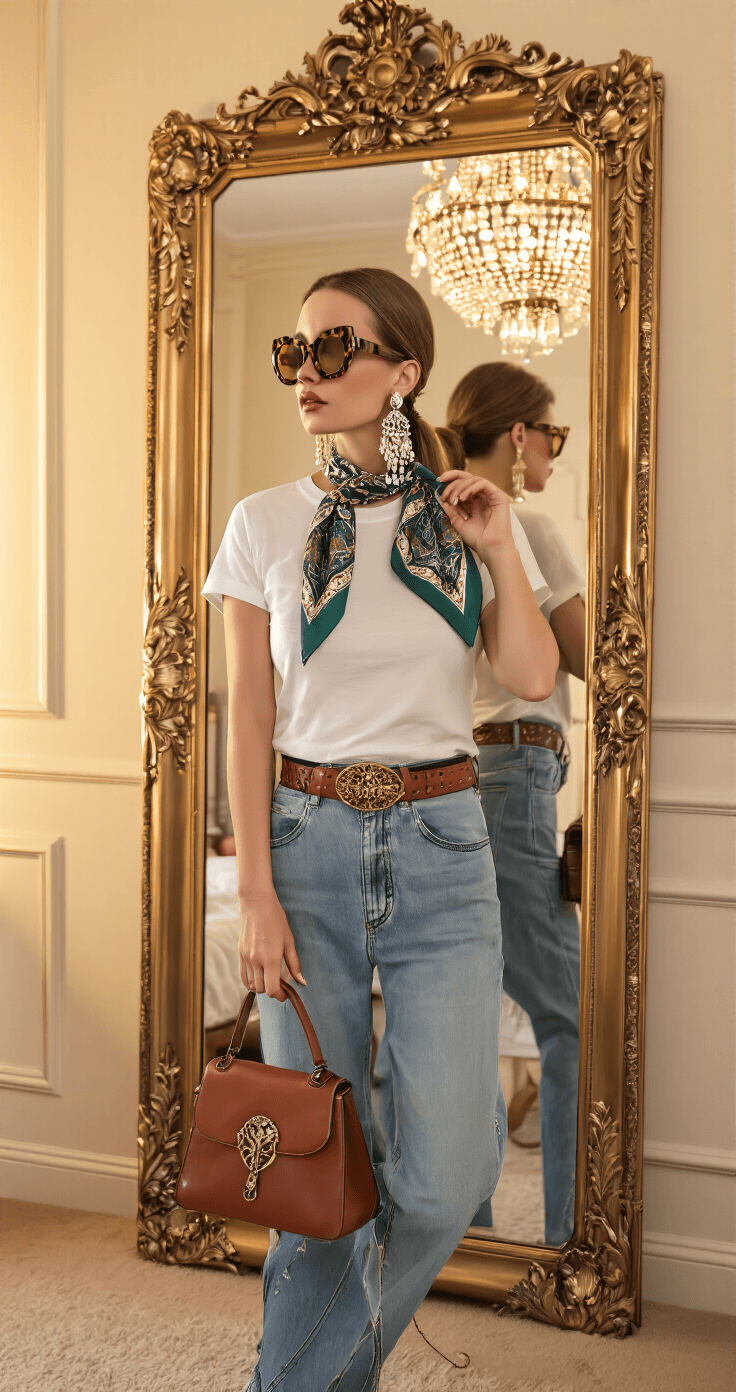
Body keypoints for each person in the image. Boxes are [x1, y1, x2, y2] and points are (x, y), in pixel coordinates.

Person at [202, 270, 558, 1391]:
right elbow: (249, 719)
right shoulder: (263, 523)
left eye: (333, 348)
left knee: (451, 1171)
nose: (304, 373)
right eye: (291, 353)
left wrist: (501, 550)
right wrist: (253, 890)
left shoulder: (467, 516)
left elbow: (533, 674)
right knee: (313, 1174)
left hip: (444, 839)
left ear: (404, 371)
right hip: (302, 841)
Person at [445, 361, 586, 1248]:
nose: (550, 455)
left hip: (454, 782)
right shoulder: (524, 529)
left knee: (458, 1010)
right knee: (572, 1016)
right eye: (552, 436)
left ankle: (470, 1230)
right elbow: (588, 657)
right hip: (517, 778)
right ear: (521, 436)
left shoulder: (429, 527)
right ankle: (573, 1230)